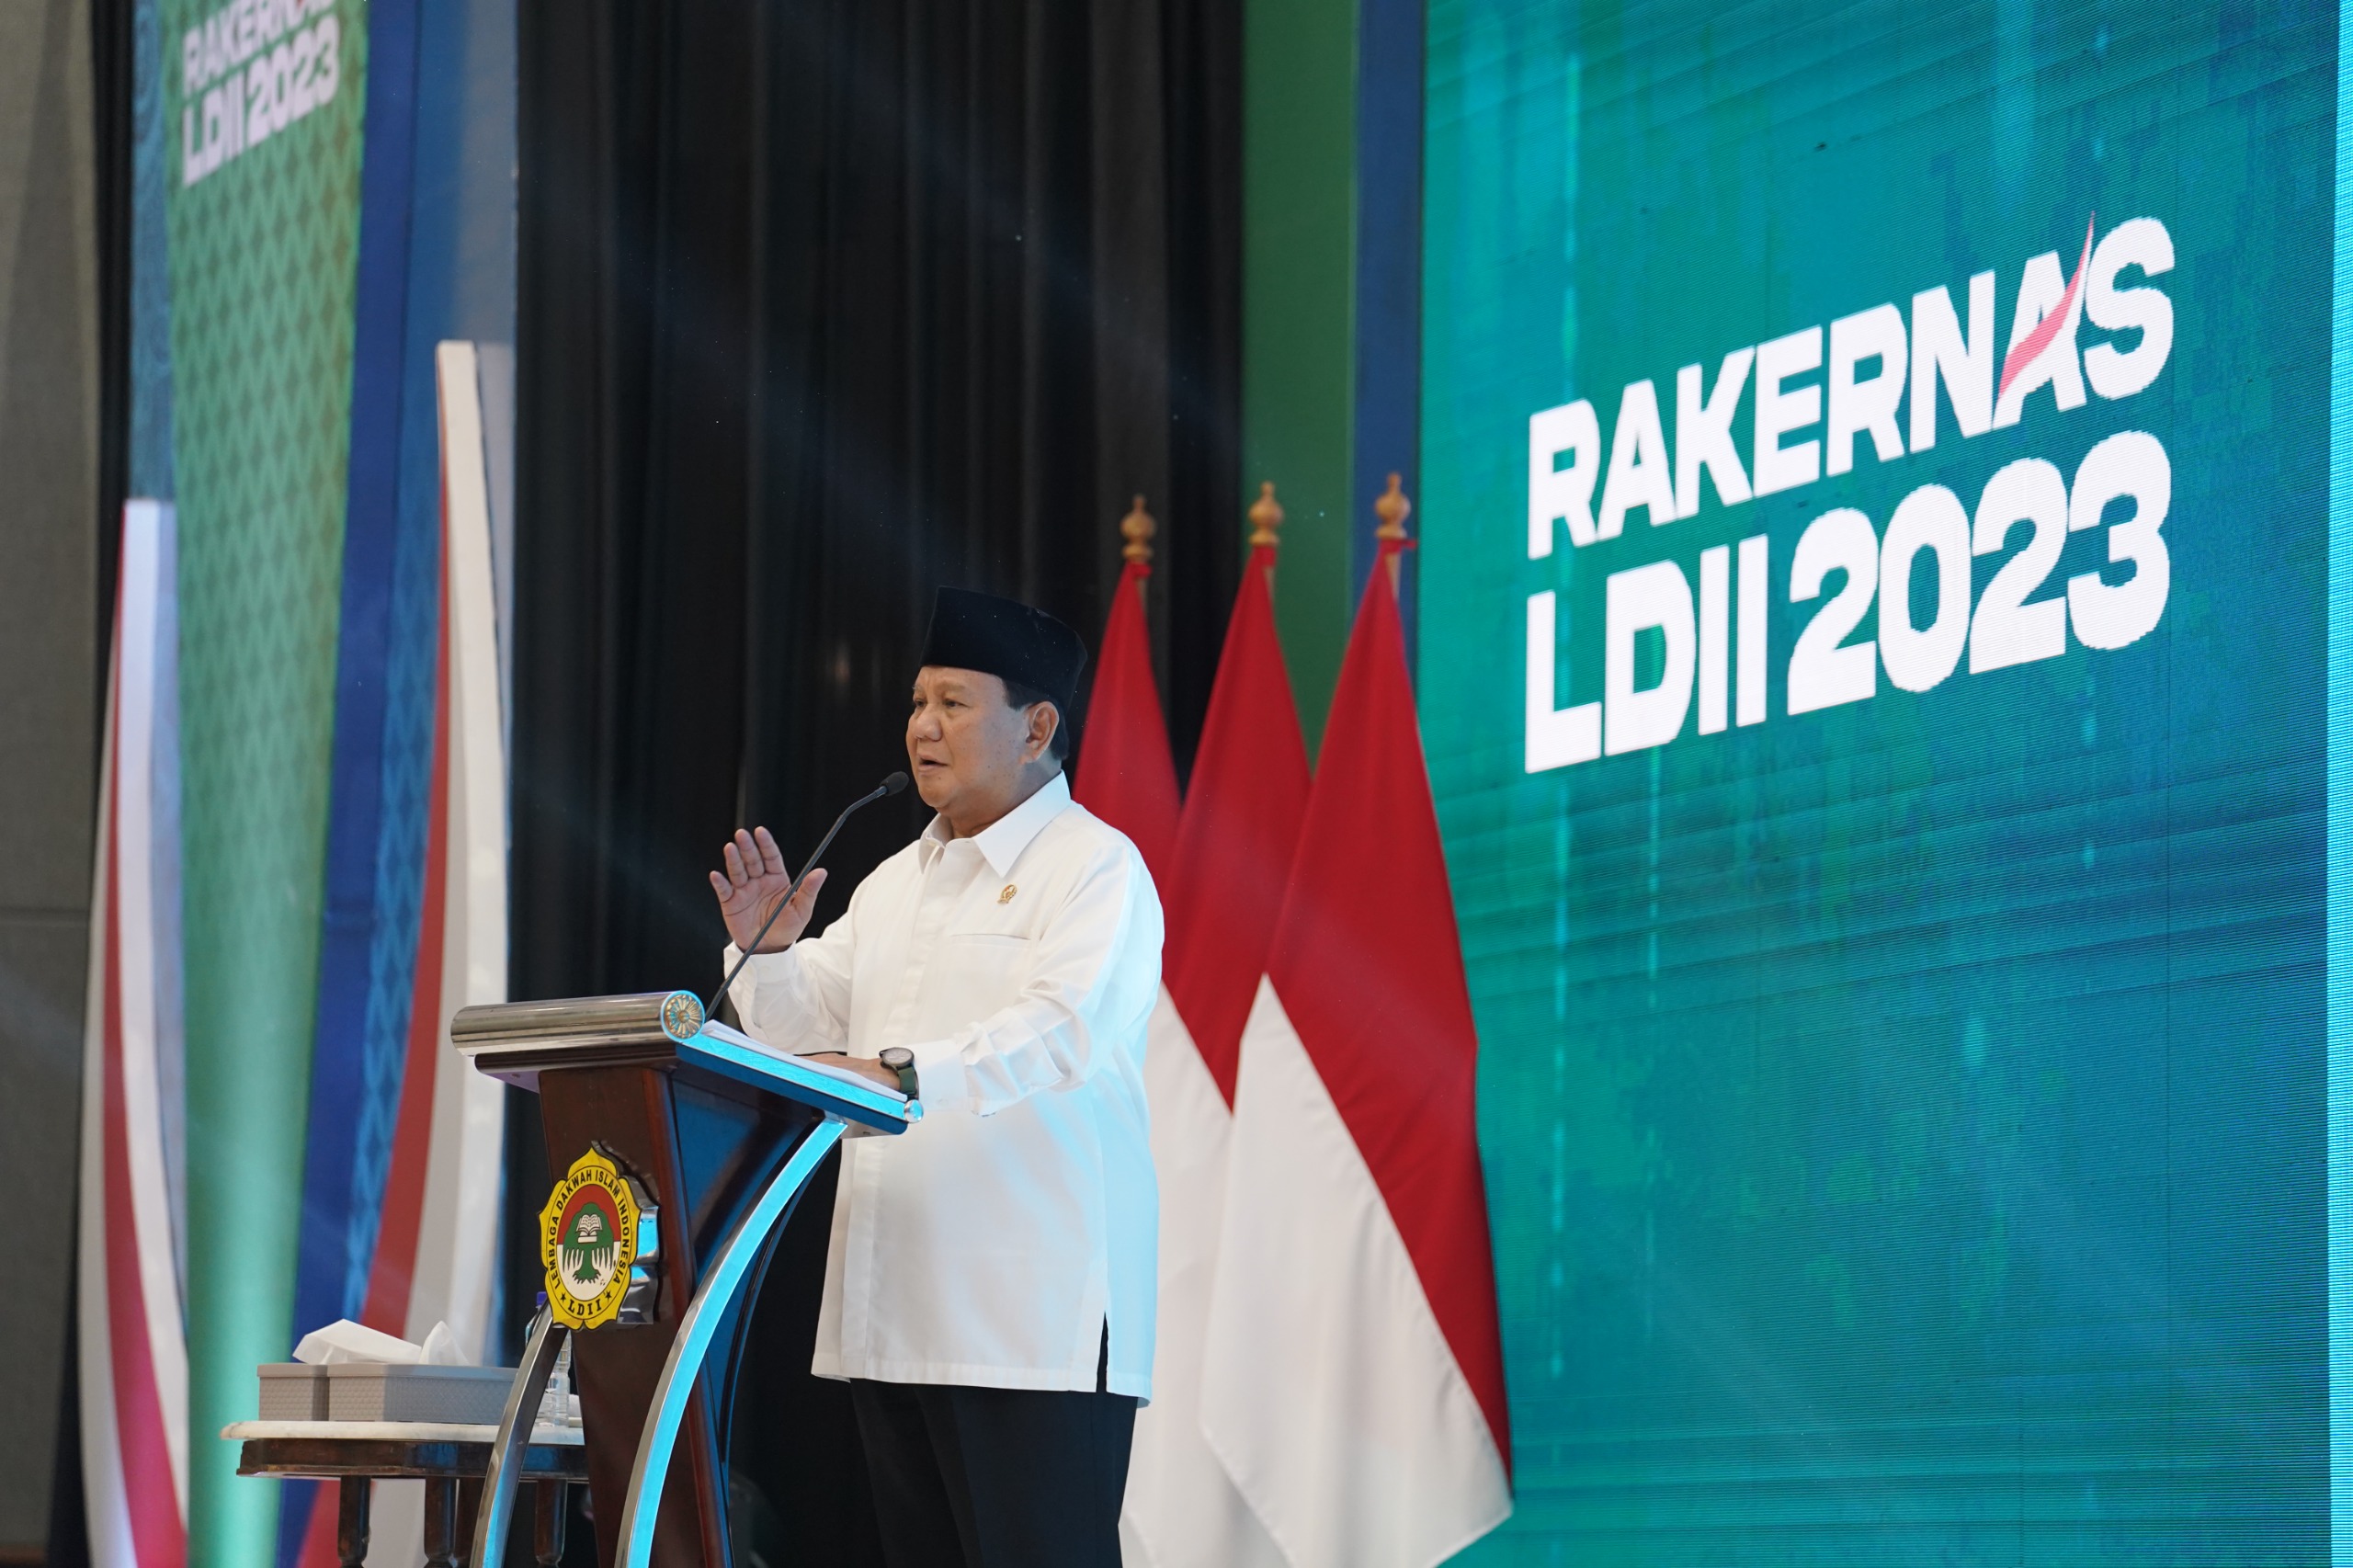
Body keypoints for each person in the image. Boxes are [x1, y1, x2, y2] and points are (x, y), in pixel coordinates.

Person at [709, 586, 1162, 1568]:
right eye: (918, 702)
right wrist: (769, 951)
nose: (922, 725)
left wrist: (899, 1075)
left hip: (1029, 1325)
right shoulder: (892, 883)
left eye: (953, 703)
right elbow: (803, 1032)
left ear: (1036, 728)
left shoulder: (1096, 868)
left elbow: (1062, 1031)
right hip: (893, 1313)